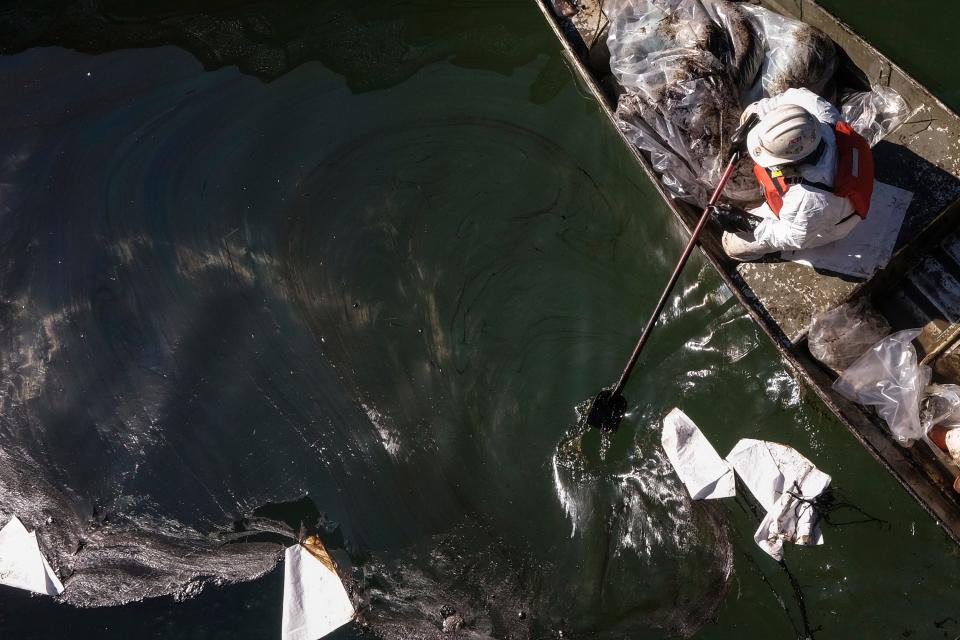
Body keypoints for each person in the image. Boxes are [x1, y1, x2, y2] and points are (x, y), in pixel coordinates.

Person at [710, 88, 875, 261]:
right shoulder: (819, 111)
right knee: (752, 109)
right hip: (828, 200)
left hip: (824, 226)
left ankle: (772, 254)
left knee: (731, 244)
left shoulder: (810, 199)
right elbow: (787, 98)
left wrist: (748, 223)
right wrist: (751, 122)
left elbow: (794, 237)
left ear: (794, 162)